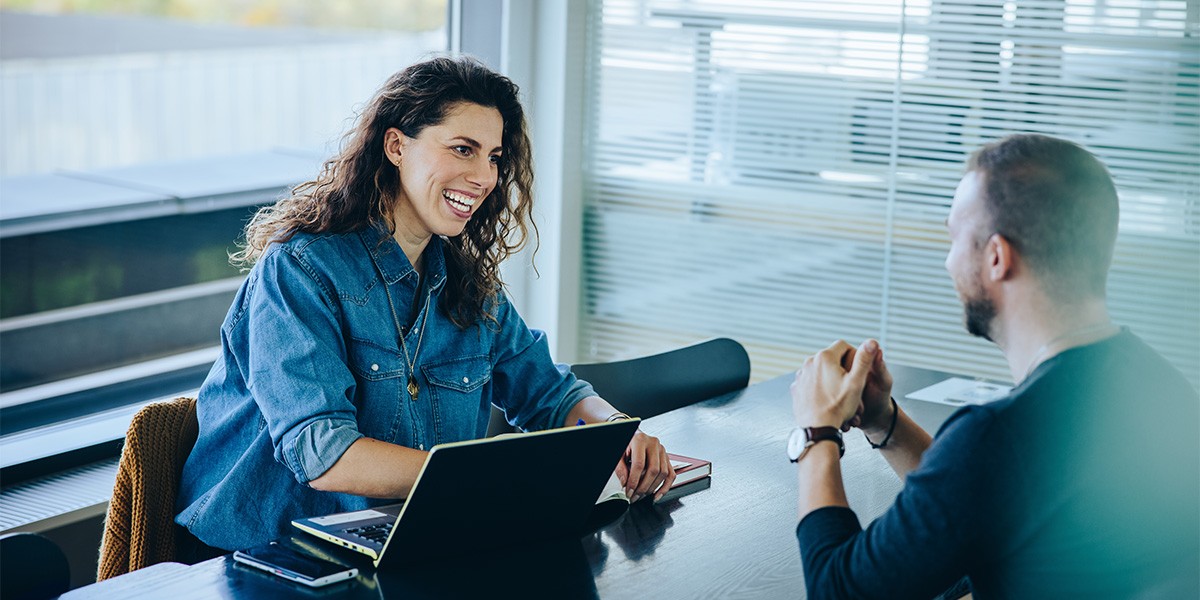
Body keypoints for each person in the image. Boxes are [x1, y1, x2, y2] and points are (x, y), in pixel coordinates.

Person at [175, 56, 675, 556]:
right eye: (463, 149)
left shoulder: (468, 284)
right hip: (263, 553)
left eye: (495, 158)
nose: (484, 178)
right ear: (396, 146)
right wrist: (480, 479)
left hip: (405, 535)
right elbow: (323, 454)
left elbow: (550, 393)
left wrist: (616, 433)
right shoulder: (301, 270)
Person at [788, 134, 1199, 598]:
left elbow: (837, 590)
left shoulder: (1001, 435)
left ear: (997, 257)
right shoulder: (1163, 387)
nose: (947, 262)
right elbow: (984, 500)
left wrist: (815, 431)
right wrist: (885, 421)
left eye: (953, 237)